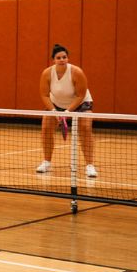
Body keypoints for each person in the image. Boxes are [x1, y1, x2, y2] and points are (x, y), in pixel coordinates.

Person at [36, 43, 97, 178]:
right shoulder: (47, 73)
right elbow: (44, 95)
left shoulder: (76, 72)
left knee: (85, 128)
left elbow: (81, 95)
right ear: (53, 60)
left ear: (67, 58)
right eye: (58, 58)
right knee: (46, 127)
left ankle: (90, 165)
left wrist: (68, 112)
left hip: (81, 103)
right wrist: (54, 111)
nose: (62, 60)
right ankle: (46, 162)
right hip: (56, 104)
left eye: (64, 57)